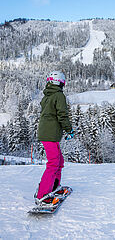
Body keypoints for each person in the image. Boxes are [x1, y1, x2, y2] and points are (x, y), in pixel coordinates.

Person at [35, 71, 74, 206]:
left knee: (59, 161)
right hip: (49, 134)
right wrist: (69, 130)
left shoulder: (47, 96)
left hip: (49, 133)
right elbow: (62, 114)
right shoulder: (58, 95)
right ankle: (42, 195)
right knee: (53, 163)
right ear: (60, 83)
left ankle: (53, 187)